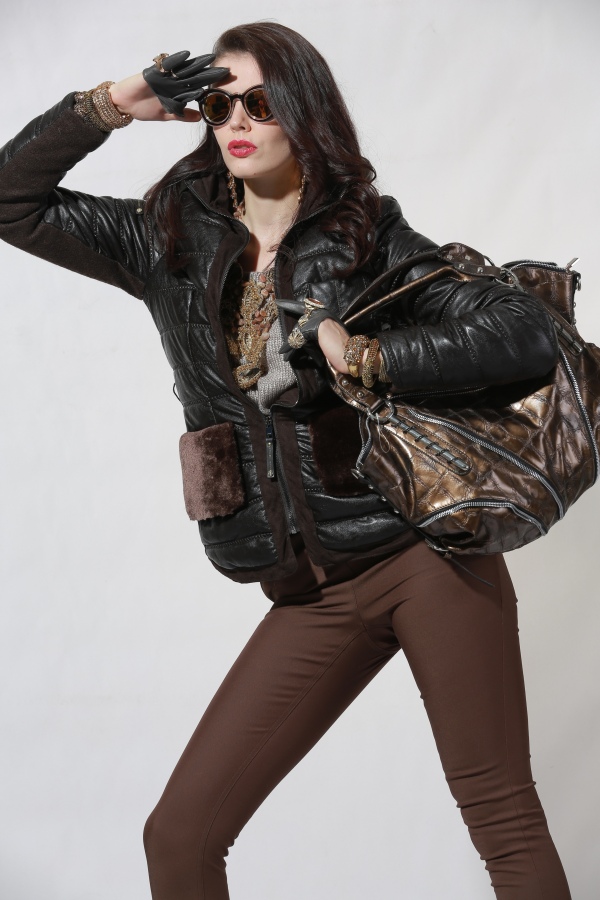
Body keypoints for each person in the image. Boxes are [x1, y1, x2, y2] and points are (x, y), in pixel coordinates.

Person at [0, 21, 572, 900]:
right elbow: (13, 201)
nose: (236, 121)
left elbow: (526, 333)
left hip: (425, 560)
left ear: (303, 114)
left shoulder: (368, 236)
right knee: (180, 836)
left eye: (261, 104)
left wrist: (368, 355)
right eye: (219, 103)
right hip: (311, 591)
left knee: (502, 818)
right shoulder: (165, 240)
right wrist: (114, 104)